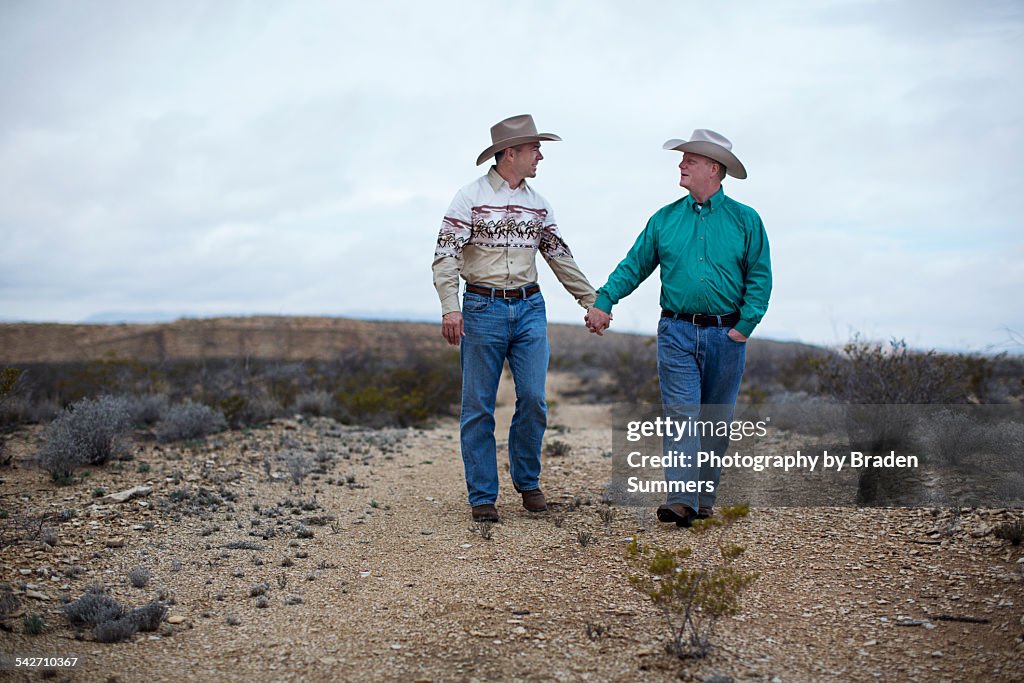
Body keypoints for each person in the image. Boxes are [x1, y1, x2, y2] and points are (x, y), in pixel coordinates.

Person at [585, 129, 771, 527]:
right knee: (682, 416)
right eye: (683, 157)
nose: (681, 164)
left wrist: (745, 325)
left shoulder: (746, 221)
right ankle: (681, 499)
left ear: (714, 169)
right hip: (676, 333)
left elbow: (759, 276)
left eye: (690, 159)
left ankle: (703, 500)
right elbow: (634, 265)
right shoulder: (664, 219)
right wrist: (605, 299)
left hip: (727, 335)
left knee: (714, 421)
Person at [432, 114, 601, 523]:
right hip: (481, 308)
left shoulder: (539, 205)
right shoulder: (468, 198)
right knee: (478, 405)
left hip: (529, 308)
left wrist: (591, 300)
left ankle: (528, 483)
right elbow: (446, 256)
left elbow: (559, 255)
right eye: (534, 149)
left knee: (533, 398)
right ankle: (483, 497)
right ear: (511, 154)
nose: (539, 156)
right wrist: (450, 306)